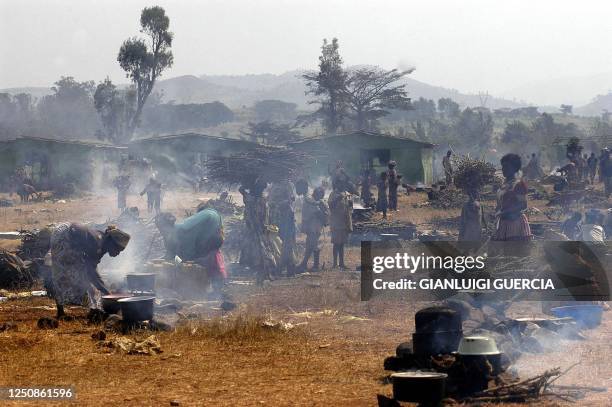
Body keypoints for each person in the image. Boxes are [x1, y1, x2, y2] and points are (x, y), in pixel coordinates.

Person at [48, 224, 130, 319]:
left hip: (69, 235)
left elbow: (92, 267)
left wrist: (104, 289)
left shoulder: (103, 243)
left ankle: (93, 309)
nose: (118, 253)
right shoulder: (97, 243)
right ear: (112, 243)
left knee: (81, 275)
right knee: (63, 273)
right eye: (118, 249)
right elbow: (91, 272)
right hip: (64, 237)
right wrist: (107, 292)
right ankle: (63, 312)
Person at [155, 209, 226, 293]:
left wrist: (173, 263)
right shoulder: (170, 235)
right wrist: (163, 260)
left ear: (168, 226)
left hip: (211, 225)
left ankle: (216, 292)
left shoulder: (184, 231)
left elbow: (186, 255)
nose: (161, 231)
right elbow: (170, 252)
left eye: (162, 228)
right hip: (212, 219)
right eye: (159, 229)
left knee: (208, 265)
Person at [239, 179, 278, 282]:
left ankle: (263, 273)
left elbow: (241, 190)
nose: (260, 190)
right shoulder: (260, 200)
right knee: (260, 251)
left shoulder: (256, 200)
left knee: (260, 251)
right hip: (256, 229)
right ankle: (262, 273)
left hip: (257, 229)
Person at [492, 153, 532, 241]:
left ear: (514, 168)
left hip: (515, 223)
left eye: (506, 166)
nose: (503, 169)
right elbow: (500, 205)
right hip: (503, 223)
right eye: (503, 166)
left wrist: (504, 212)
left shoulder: (518, 185)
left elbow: (523, 205)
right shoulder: (504, 185)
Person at [297, 187, 329, 272]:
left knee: (312, 246)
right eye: (318, 194)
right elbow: (313, 213)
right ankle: (307, 264)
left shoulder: (319, 203)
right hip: (311, 227)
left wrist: (321, 209)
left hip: (316, 227)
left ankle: (313, 265)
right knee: (310, 246)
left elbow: (324, 214)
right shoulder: (310, 202)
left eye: (321, 195)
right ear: (315, 193)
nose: (320, 196)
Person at [328, 178, 353, 269]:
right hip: (336, 222)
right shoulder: (333, 194)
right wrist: (339, 198)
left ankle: (342, 263)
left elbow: (349, 208)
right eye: (341, 184)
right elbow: (330, 206)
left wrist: (350, 203)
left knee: (342, 243)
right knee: (336, 243)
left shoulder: (346, 194)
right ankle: (335, 263)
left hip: (344, 222)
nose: (343, 186)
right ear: (337, 185)